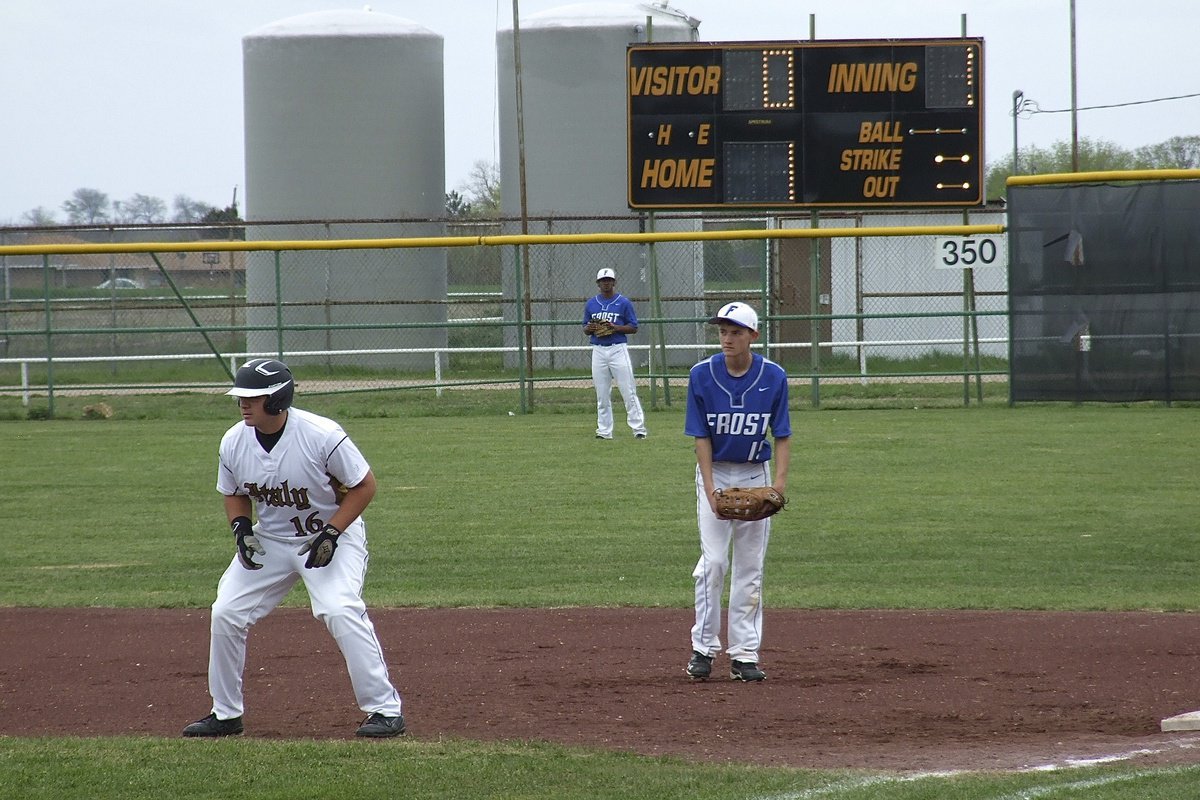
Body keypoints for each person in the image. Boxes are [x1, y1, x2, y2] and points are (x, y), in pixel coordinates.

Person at [183, 358, 405, 738]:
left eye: (253, 397)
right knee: (226, 612)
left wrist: (333, 533)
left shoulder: (321, 434)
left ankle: (385, 710)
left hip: (331, 537)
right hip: (272, 540)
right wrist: (240, 528)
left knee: (339, 608)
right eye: (241, 397)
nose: (243, 404)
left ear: (278, 399)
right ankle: (225, 714)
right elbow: (233, 493)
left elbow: (364, 485)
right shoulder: (234, 440)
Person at [683, 302, 791, 682]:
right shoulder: (701, 375)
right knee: (713, 563)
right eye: (722, 331)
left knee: (750, 567)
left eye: (735, 332)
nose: (726, 338)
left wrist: (777, 483)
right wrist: (710, 489)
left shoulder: (774, 376)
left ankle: (744, 654)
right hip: (715, 473)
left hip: (754, 474)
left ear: (753, 337)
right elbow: (700, 438)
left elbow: (782, 435)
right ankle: (703, 648)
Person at [583, 267, 647, 440]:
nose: (606, 283)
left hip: (618, 348)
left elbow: (633, 327)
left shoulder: (623, 302)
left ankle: (639, 429)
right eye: (603, 280)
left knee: (628, 390)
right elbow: (586, 328)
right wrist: (589, 328)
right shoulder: (591, 304)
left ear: (614, 282)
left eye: (609, 280)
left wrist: (615, 328)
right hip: (598, 350)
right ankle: (604, 431)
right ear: (598, 283)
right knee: (602, 394)